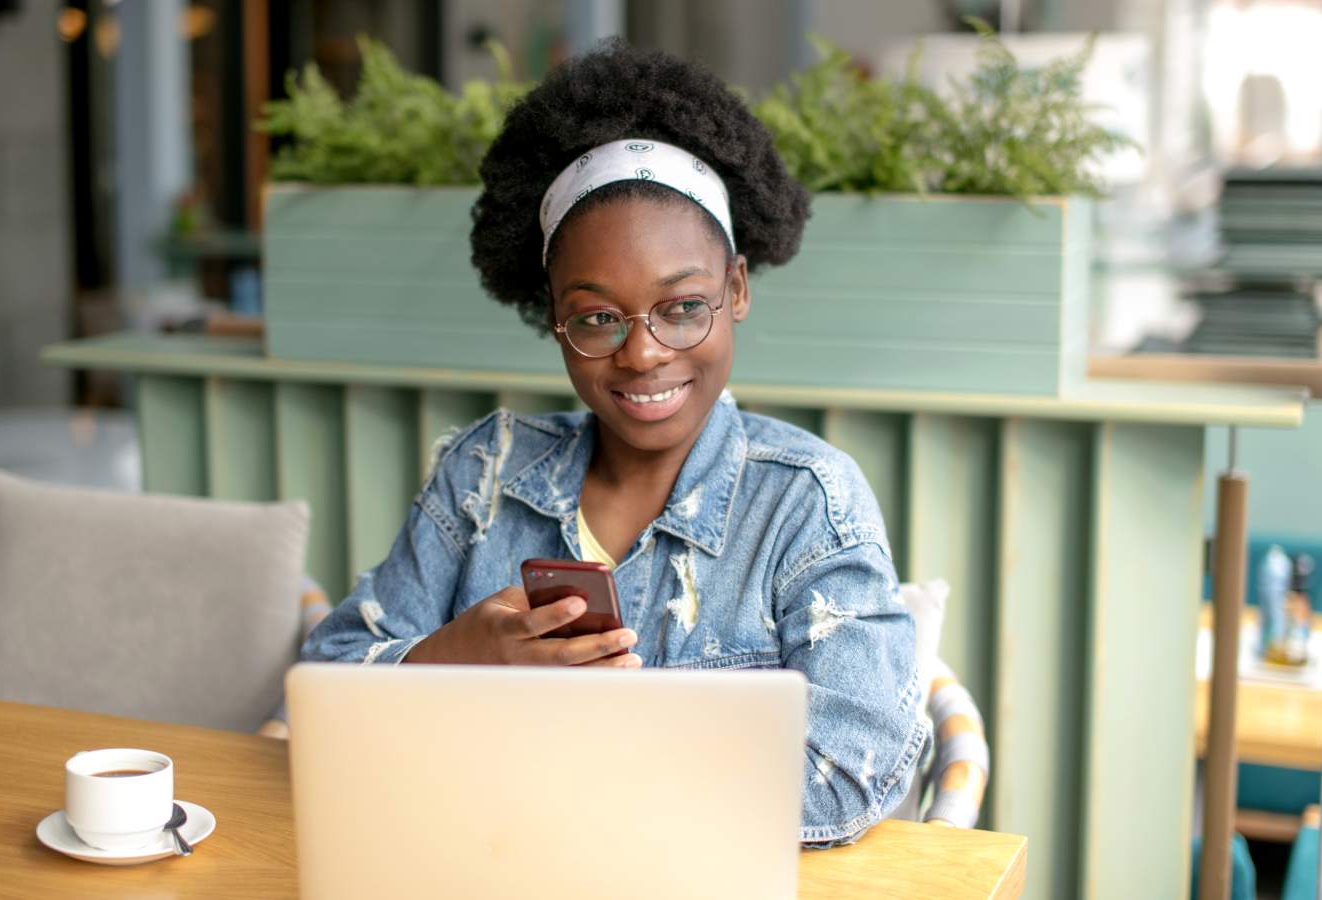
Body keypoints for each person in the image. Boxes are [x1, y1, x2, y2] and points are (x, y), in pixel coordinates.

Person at [302, 40, 928, 847]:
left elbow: (848, 773)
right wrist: (456, 656)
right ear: (553, 317)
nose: (641, 354)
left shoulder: (804, 503)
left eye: (682, 307)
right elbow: (322, 687)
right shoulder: (485, 473)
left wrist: (565, 780)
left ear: (735, 289)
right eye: (597, 317)